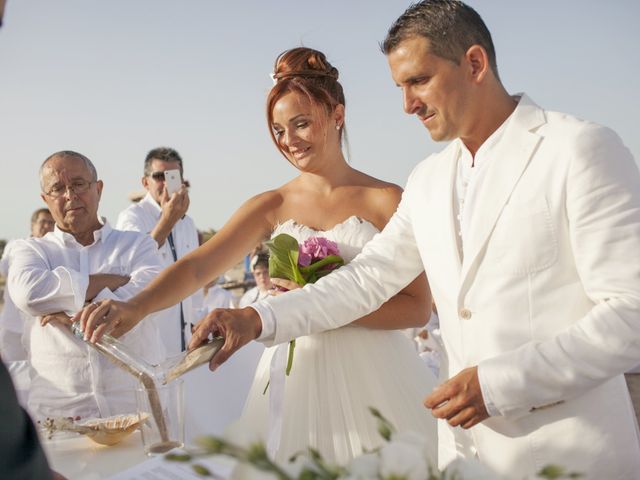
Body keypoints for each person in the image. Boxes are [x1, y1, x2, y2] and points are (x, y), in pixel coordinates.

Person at [172, 1, 640, 477]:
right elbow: (367, 279)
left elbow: (631, 313)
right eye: (400, 86)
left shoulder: (579, 150)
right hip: (464, 456)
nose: (407, 105)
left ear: (475, 63)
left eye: (419, 81)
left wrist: (499, 385)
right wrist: (258, 317)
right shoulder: (428, 179)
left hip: (567, 453)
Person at [78, 47, 438, 465]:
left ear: (337, 114)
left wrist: (309, 305)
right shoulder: (271, 204)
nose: (289, 141)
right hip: (293, 377)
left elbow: (415, 309)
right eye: (279, 130)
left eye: (301, 123)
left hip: (377, 379)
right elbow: (197, 267)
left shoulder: (387, 199)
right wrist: (134, 307)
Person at [9, 150, 165, 420]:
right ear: (46, 199)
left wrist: (69, 307)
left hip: (136, 410)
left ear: (98, 189)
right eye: (57, 188)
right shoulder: (31, 251)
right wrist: (113, 282)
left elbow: (152, 291)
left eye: (78, 184)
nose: (70, 195)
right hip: (61, 415)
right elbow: (29, 292)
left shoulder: (138, 245)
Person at [116, 147, 202, 356]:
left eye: (172, 176)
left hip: (184, 338)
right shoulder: (132, 218)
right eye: (158, 176)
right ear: (145, 182)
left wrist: (196, 320)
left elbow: (195, 275)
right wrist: (167, 219)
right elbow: (132, 265)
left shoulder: (187, 223)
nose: (165, 183)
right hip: (149, 339)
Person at [0, 208, 55, 406]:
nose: (47, 226)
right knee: (14, 376)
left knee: (38, 375)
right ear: (32, 226)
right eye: (43, 222)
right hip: (13, 327)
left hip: (39, 329)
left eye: (51, 222)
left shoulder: (56, 250)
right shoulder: (16, 247)